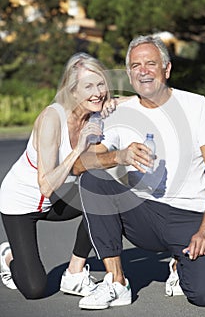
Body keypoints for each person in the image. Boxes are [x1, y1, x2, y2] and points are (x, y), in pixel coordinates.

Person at [72, 35, 205, 310]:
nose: (143, 70)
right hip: (143, 214)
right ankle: (116, 281)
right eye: (135, 65)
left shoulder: (196, 106)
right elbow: (79, 165)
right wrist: (118, 156)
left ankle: (184, 261)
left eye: (150, 63)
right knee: (93, 182)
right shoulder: (120, 113)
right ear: (129, 73)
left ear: (166, 69)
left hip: (189, 218)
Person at [0, 52, 118, 299]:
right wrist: (78, 149)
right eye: (88, 86)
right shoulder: (52, 118)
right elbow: (45, 186)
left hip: (55, 202)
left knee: (103, 194)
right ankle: (8, 256)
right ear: (73, 91)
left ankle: (74, 273)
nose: (97, 92)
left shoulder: (96, 109)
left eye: (100, 84)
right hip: (21, 202)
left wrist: (115, 101)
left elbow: (137, 101)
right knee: (35, 289)